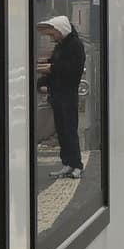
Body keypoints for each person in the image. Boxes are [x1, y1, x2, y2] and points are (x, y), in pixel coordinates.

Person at [36, 13, 85, 181]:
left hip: (68, 94)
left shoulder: (75, 46)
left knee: (70, 129)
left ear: (61, 30)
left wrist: (51, 69)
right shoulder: (60, 46)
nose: (51, 36)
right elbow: (54, 65)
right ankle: (67, 163)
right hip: (57, 93)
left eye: (53, 32)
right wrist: (43, 82)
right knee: (62, 130)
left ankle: (76, 164)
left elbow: (73, 69)